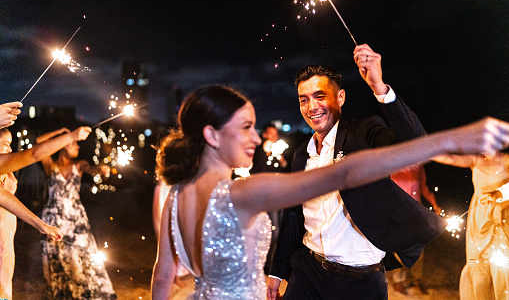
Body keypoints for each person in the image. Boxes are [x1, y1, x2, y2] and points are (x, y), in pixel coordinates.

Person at [150, 83, 509, 299]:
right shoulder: (241, 194)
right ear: (212, 135)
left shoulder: (175, 195)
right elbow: (348, 172)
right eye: (245, 127)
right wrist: (450, 139)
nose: (257, 137)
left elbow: (163, 274)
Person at [267, 44, 442, 300]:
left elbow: (418, 146)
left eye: (320, 96)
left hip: (361, 282)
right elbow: (293, 215)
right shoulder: (302, 154)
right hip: (307, 272)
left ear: (340, 98)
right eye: (304, 100)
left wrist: (379, 87)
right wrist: (277, 271)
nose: (311, 106)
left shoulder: (364, 134)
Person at [38, 127, 116, 300]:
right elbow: (39, 143)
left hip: (76, 221)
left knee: (83, 256)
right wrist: (60, 133)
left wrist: (100, 169)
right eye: (74, 144)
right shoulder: (51, 166)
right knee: (56, 260)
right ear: (64, 145)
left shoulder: (78, 164)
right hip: (53, 220)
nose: (78, 147)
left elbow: (91, 169)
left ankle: (85, 294)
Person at [434, 152, 509, 299]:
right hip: (479, 219)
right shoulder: (475, 160)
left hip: (500, 219)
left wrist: (502, 205)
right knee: (479, 269)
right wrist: (423, 148)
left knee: (502, 270)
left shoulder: (506, 160)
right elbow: (449, 159)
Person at [0, 128, 63, 299]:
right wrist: (70, 136)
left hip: (6, 241)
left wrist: (41, 225)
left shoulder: (8, 168)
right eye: (6, 143)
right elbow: (35, 153)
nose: (10, 148)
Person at [389, 164, 441, 295]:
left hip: (416, 211)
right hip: (399, 211)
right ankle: (398, 281)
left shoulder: (419, 166)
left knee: (419, 247)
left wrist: (434, 204)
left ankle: (416, 280)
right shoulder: (396, 163)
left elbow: (423, 187)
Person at [250, 123, 289, 275]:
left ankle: (270, 264)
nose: (274, 137)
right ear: (265, 135)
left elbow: (285, 165)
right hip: (264, 196)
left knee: (278, 230)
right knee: (270, 230)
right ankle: (263, 263)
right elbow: (256, 167)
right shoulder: (261, 150)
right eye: (270, 134)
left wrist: (280, 157)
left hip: (279, 194)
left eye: (275, 134)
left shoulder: (277, 150)